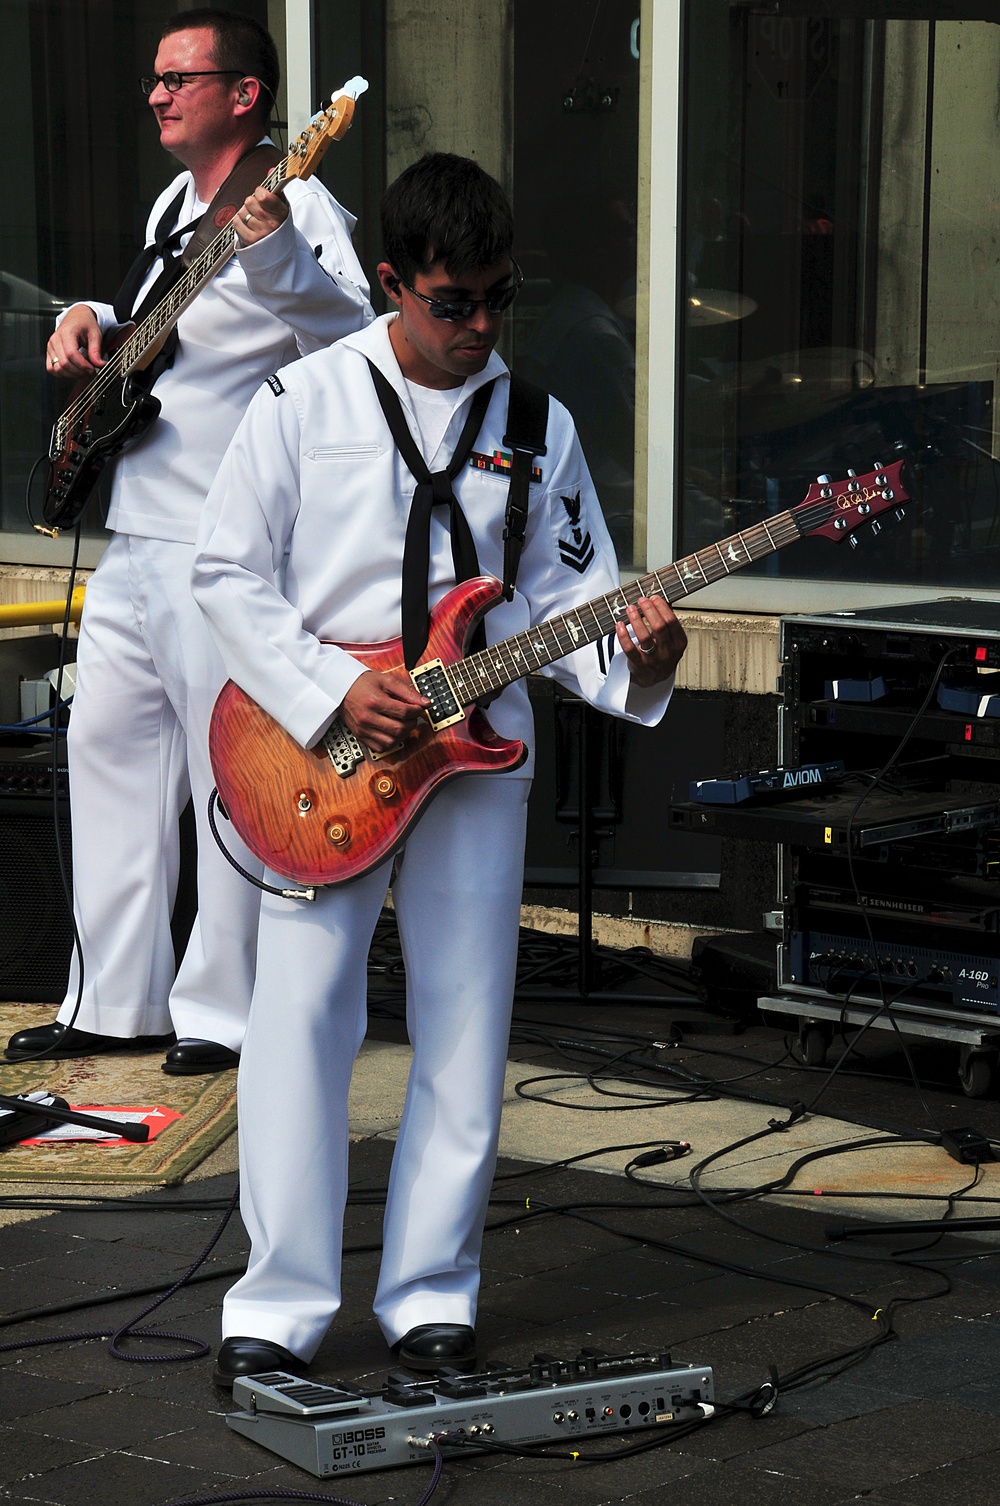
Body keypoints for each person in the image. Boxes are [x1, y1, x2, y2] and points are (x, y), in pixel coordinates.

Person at [192, 152, 686, 1385]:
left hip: (479, 753)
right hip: (321, 752)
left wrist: (648, 657)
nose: (477, 327)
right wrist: (326, 687)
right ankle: (276, 1313)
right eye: (450, 302)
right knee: (302, 1020)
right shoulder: (299, 402)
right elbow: (226, 576)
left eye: (496, 301)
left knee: (467, 1030)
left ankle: (430, 1301)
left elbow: (568, 598)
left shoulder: (539, 424)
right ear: (388, 283)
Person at [5, 10, 373, 1076]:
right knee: (105, 759)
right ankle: (113, 1001)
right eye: (154, 80)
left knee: (229, 781)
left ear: (245, 95)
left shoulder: (296, 198)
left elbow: (355, 333)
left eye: (180, 78)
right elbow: (156, 323)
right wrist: (86, 313)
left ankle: (223, 1013)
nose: (157, 95)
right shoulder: (177, 199)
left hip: (231, 546)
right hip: (136, 531)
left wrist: (273, 258)